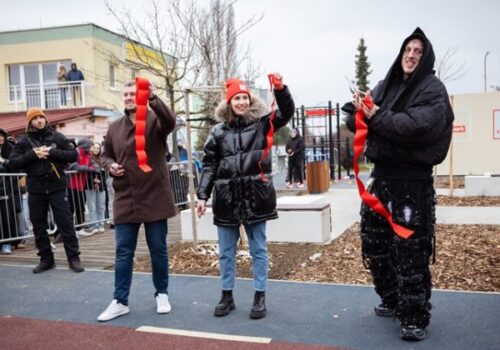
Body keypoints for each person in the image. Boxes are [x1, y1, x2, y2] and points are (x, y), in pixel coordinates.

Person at [342, 28, 454, 341]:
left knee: (410, 252)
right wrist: (358, 109)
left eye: (418, 51)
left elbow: (413, 126)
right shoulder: (386, 85)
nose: (411, 55)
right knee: (375, 244)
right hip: (382, 181)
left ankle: (413, 316)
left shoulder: (433, 89)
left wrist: (376, 116)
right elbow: (360, 119)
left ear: (425, 57)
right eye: (408, 49)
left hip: (412, 186)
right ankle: (391, 298)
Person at [196, 75, 295, 319]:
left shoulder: (263, 124)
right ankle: (226, 295)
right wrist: (202, 195)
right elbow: (209, 165)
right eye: (236, 98)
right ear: (229, 102)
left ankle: (260, 295)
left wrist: (280, 89)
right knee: (226, 250)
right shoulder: (218, 132)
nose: (241, 102)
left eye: (244, 97)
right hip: (227, 197)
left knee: (258, 248)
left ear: (249, 100)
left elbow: (287, 111)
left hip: (255, 195)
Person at [97, 80, 177, 322]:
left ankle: (162, 294)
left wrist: (153, 98)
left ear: (141, 96)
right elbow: (104, 155)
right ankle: (120, 301)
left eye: (133, 93)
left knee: (158, 250)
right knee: (123, 253)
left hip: (155, 196)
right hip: (125, 197)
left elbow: (171, 122)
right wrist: (110, 166)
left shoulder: (155, 120)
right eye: (125, 94)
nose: (129, 97)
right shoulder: (114, 127)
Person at [3, 108, 84, 273]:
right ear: (30, 122)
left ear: (45, 119)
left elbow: (73, 155)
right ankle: (46, 259)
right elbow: (12, 162)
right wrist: (32, 154)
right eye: (35, 118)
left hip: (57, 186)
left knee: (65, 223)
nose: (39, 120)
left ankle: (73, 258)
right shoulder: (24, 142)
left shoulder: (57, 136)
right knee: (38, 225)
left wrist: (52, 152)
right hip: (36, 188)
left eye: (41, 117)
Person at [85, 142, 106, 234]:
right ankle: (94, 225)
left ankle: (101, 224)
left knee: (101, 206)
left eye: (98, 148)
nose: (96, 149)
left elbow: (105, 173)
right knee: (92, 207)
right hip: (89, 185)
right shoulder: (87, 159)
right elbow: (85, 171)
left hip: (101, 186)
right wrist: (93, 179)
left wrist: (100, 181)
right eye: (94, 148)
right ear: (91, 149)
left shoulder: (103, 159)